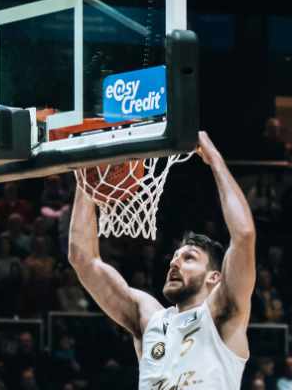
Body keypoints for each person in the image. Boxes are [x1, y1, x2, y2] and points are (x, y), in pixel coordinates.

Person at [68, 132, 255, 390]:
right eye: (175, 256)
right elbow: (83, 260)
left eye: (189, 258)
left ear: (215, 276)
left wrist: (215, 160)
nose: (174, 263)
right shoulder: (150, 318)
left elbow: (244, 235)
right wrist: (88, 180)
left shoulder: (222, 315)